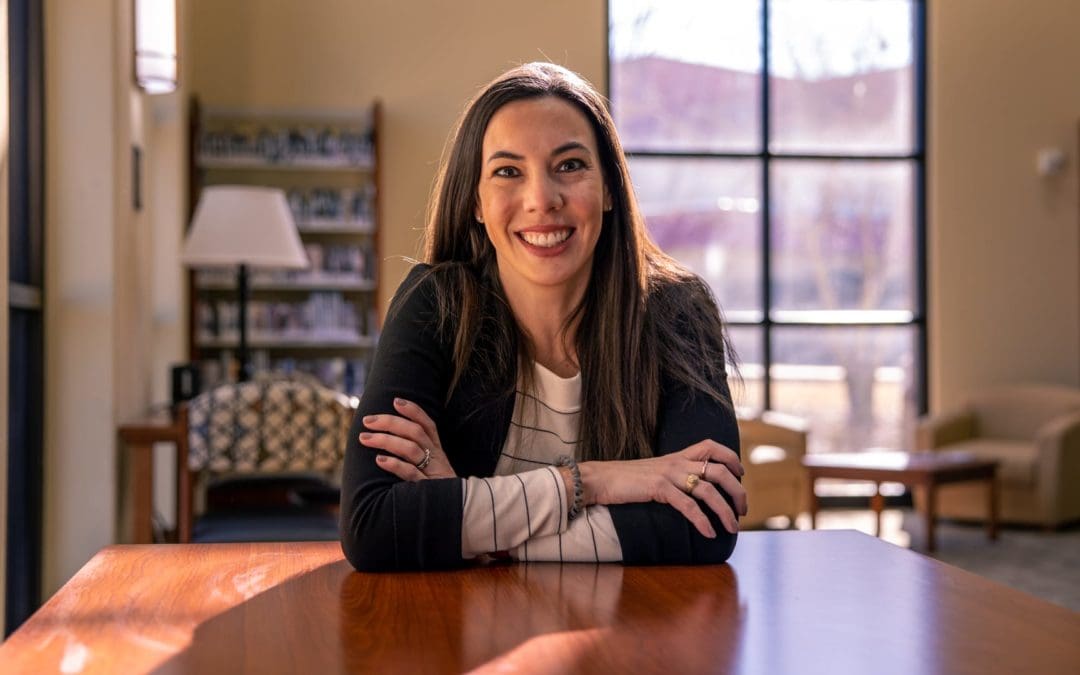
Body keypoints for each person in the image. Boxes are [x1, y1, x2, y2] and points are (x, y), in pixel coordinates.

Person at [340, 62, 746, 572]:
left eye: (570, 165)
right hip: (455, 643)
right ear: (477, 203)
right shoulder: (436, 306)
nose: (541, 201)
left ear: (609, 191)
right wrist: (595, 482)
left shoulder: (677, 314)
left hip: (630, 638)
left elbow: (704, 525)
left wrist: (471, 524)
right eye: (508, 171)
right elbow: (374, 527)